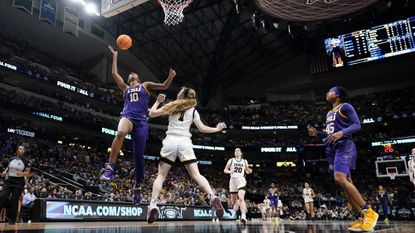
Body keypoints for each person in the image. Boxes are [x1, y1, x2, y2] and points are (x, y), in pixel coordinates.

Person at [100, 45, 176, 204]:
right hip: (128, 116)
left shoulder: (145, 85)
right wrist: (114, 56)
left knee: (138, 157)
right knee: (120, 132)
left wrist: (170, 77)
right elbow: (114, 73)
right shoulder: (125, 88)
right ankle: (110, 167)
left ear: (138, 78)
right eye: (130, 74)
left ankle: (138, 185)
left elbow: (164, 86)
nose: (132, 73)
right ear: (129, 79)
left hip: (141, 121)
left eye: (134, 73)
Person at [145, 88, 227, 223]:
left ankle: (153, 204)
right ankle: (212, 196)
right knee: (196, 175)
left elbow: (152, 114)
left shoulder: (172, 105)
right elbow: (202, 129)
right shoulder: (193, 110)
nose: (177, 93)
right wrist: (217, 129)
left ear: (181, 95)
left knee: (161, 176)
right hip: (185, 142)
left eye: (179, 92)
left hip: (170, 141)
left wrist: (158, 101)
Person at [308, 86, 378, 231]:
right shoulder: (329, 113)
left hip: (345, 146)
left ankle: (369, 212)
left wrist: (342, 133)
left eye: (330, 91)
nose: (327, 93)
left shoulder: (345, 106)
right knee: (346, 183)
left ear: (338, 94)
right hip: (334, 149)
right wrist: (318, 134)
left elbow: (357, 125)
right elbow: (330, 133)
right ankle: (362, 216)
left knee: (339, 178)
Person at [0, 145, 31, 224]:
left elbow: (27, 173)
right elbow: (8, 168)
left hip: (19, 181)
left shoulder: (27, 160)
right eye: (20, 149)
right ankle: (10, 208)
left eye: (23, 149)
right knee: (2, 196)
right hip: (9, 180)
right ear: (17, 150)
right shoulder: (11, 158)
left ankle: (12, 219)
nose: (22, 150)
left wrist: (23, 176)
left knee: (15, 200)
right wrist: (5, 172)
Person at [224, 148, 252, 225]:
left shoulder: (244, 161)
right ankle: (237, 203)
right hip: (232, 181)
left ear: (241, 153)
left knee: (241, 197)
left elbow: (247, 171)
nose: (236, 152)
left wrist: (249, 170)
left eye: (238, 151)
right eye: (235, 151)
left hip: (241, 181)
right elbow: (225, 170)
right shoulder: (231, 160)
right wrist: (230, 171)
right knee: (233, 202)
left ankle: (243, 216)